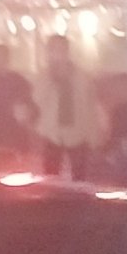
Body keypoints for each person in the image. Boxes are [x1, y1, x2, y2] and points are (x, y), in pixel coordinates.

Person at [31, 35, 99, 179]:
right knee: (51, 178)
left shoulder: (81, 76)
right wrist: (51, 78)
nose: (57, 54)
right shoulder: (43, 77)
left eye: (61, 49)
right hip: (51, 134)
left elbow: (90, 105)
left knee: (80, 179)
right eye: (53, 49)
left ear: (67, 51)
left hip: (78, 133)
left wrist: (93, 134)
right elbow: (36, 101)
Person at [0, 42, 37, 170]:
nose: (2, 61)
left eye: (4, 57)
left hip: (18, 139)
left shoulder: (20, 82)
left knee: (20, 173)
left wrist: (28, 115)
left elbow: (32, 107)